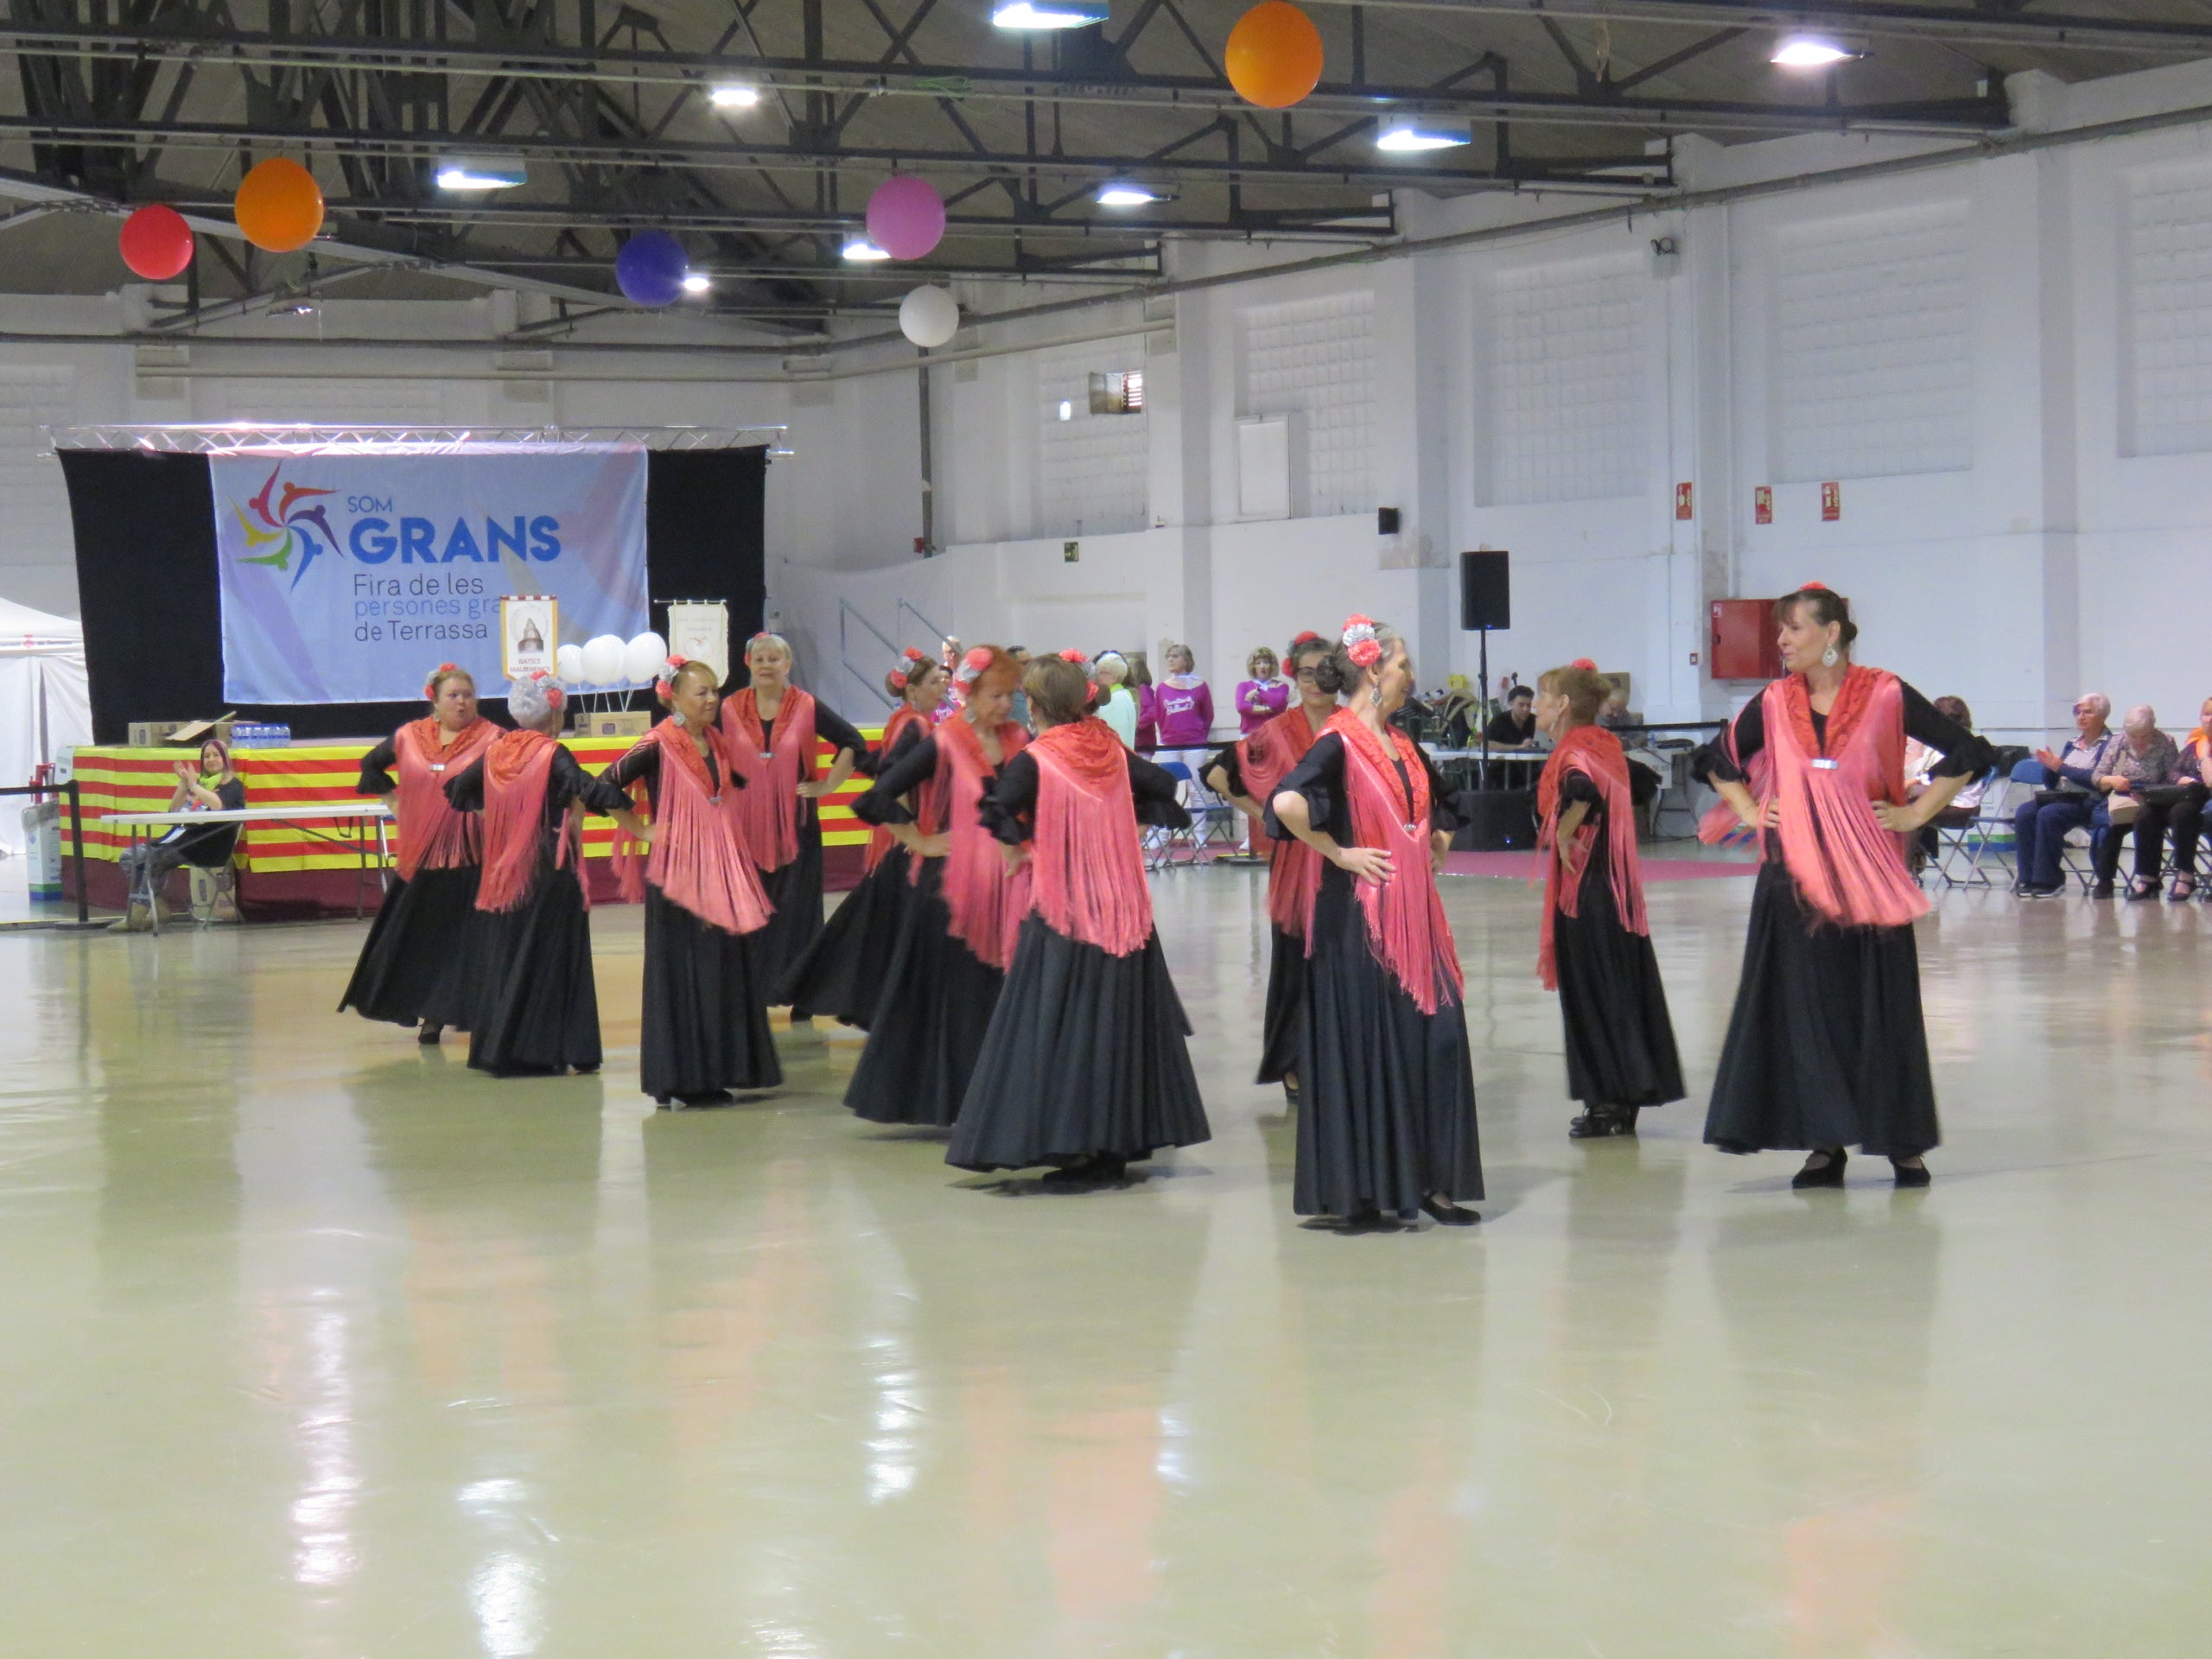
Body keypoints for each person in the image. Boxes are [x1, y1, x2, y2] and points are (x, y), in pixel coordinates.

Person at [1693, 585, 1992, 1188]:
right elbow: (1716, 760)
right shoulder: (1774, 701)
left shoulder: (1886, 692)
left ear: (1832, 634)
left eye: (1794, 628)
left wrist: (1915, 812)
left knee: (1880, 1004)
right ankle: (1824, 1144)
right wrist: (1752, 811)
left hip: (1869, 877)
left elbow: (1968, 752)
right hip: (1793, 878)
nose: (1782, 640)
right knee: (1807, 1008)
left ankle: (1902, 1142)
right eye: (1781, 629)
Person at [948, 655, 1210, 1185]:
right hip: (1125, 912)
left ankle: (1077, 1147)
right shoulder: (1108, 746)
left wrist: (1027, 843)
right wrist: (1114, 822)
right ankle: (1113, 1147)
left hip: (1066, 911)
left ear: (1034, 704)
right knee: (1119, 1026)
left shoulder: (1038, 758)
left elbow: (997, 807)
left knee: (1065, 1029)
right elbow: (1163, 783)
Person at [1270, 615, 1483, 1229]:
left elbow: (1440, 803)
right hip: (1359, 926)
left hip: (1419, 920)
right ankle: (1367, 1191)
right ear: (1372, 671)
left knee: (1437, 1039)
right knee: (1372, 1049)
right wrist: (1339, 853)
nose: (1411, 675)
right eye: (1402, 665)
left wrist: (1435, 840)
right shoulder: (1337, 741)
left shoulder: (1402, 742)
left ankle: (1432, 1184)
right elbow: (1286, 802)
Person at [844, 646, 1031, 1127]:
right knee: (961, 998)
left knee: (1000, 994)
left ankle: (1003, 1097)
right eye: (994, 696)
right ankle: (958, 1100)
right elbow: (877, 795)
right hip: (950, 891)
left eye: (1008, 695)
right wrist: (919, 840)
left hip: (1009, 887)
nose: (1004, 705)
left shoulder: (1019, 738)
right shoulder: (944, 741)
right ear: (968, 694)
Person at [598, 658, 780, 1107]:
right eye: (701, 692)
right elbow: (603, 786)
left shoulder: (715, 742)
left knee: (718, 967)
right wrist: (642, 829)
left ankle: (714, 1071)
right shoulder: (657, 744)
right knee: (686, 970)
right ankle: (682, 1078)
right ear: (674, 698)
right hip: (678, 874)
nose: (712, 699)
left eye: (714, 690)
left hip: (718, 868)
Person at [1533, 659, 1684, 1139]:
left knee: (1592, 994)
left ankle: (1605, 1104)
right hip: (1619, 894)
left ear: (1562, 705)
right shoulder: (1604, 745)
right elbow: (1642, 784)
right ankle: (1624, 1096)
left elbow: (1581, 791)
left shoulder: (1573, 752)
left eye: (1542, 696)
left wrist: (1563, 834)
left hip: (1586, 893)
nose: (1535, 705)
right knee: (1620, 991)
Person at [445, 672, 607, 1078]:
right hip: (551, 867)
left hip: (508, 870)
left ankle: (505, 1046)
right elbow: (583, 787)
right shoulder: (552, 752)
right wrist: (624, 807)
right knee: (554, 955)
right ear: (556, 713)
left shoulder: (498, 750)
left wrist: (502, 818)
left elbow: (457, 789)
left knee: (512, 952)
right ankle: (559, 1046)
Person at [777, 648, 946, 1029]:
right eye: (934, 681)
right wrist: (912, 829)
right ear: (913, 690)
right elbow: (891, 776)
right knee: (877, 926)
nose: (942, 687)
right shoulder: (915, 726)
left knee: (867, 924)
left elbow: (873, 762)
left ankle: (826, 995)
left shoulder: (906, 722)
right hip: (903, 842)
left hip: (896, 839)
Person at [1205, 632, 1334, 1101]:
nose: (1316, 682)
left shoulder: (1352, 726)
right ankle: (1293, 1062)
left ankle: (1341, 1062)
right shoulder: (1276, 731)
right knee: (1296, 965)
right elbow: (1218, 774)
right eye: (1307, 673)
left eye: (1325, 672)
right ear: (1294, 676)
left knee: (1342, 966)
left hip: (1346, 860)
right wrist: (1265, 814)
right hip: (1296, 866)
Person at [340, 664, 499, 1041]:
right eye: (453, 696)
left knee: (467, 943)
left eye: (468, 695)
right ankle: (424, 1010)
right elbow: (371, 765)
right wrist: (397, 805)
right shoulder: (409, 736)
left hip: (472, 858)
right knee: (420, 941)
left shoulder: (493, 738)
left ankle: (454, 1016)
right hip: (420, 858)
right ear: (435, 700)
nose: (462, 703)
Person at [717, 631, 868, 994]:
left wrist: (827, 786)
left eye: (774, 659)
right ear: (748, 664)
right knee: (750, 907)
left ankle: (800, 989)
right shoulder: (729, 708)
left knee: (797, 910)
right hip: (743, 828)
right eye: (759, 659)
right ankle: (750, 989)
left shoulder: (807, 706)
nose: (766, 665)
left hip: (797, 826)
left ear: (788, 664)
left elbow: (853, 743)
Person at [113, 736, 246, 930]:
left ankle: (136, 916)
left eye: (216, 755)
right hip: (182, 839)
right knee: (129, 856)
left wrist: (194, 786)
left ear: (225, 758)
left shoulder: (233, 786)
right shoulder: (200, 783)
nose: (211, 759)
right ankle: (159, 909)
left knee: (155, 858)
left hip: (208, 845)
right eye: (207, 756)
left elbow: (217, 805)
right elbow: (174, 814)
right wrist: (183, 786)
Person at [2013, 694, 2121, 897]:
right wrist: (2049, 767)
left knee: (2049, 814)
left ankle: (2049, 880)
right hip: (2063, 797)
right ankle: (2027, 877)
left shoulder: (2110, 744)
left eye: (2087, 712)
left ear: (2102, 715)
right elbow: (2052, 782)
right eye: (2077, 712)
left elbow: (2096, 780)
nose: (2081, 716)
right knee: (2025, 812)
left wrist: (2061, 767)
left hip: (2090, 800)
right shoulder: (2072, 744)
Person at [2089, 705, 2183, 900]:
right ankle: (2104, 880)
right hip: (2121, 800)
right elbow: (2098, 777)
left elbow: (2173, 778)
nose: (2139, 741)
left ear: (2153, 728)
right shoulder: (2118, 742)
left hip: (2153, 802)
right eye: (2134, 736)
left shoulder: (2165, 742)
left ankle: (2148, 879)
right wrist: (2112, 780)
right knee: (2107, 826)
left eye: (2145, 735)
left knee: (2147, 819)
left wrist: (2151, 794)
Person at [1902, 694, 1986, 872]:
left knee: (1910, 813)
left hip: (1961, 809)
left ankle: (1903, 868)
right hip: (1943, 802)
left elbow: (1939, 777)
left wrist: (1910, 783)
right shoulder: (1940, 744)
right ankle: (1910, 860)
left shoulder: (1964, 746)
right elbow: (1921, 770)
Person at [2161, 697, 2212, 900]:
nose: (2210, 719)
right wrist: (2185, 779)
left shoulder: (2203, 749)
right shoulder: (2194, 745)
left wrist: (2205, 758)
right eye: (2207, 714)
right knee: (2179, 813)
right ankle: (2185, 874)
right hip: (2196, 796)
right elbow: (2174, 772)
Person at [1154, 643, 1214, 767]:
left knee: (1195, 779)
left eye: (1175, 656)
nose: (1170, 659)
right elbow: (1159, 717)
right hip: (1169, 745)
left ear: (1186, 661)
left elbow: (1208, 715)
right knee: (1170, 778)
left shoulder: (1200, 685)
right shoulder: (1162, 688)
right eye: (1168, 656)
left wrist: (1200, 735)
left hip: (1195, 744)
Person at [1235, 647, 1288, 738]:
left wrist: (1259, 694)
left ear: (1272, 665)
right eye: (1258, 663)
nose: (1262, 666)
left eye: (1266, 662)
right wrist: (1268, 709)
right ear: (1253, 666)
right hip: (1249, 734)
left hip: (1274, 734)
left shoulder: (1281, 686)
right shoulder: (1243, 686)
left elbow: (1280, 704)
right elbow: (1242, 707)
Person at [1094, 651, 1140, 749]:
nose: (1097, 677)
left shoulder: (1114, 699)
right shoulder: (1124, 695)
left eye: (1102, 673)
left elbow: (1114, 734)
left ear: (1114, 676)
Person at [1484, 684, 1541, 751]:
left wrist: (1534, 744)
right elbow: (1487, 744)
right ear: (1511, 703)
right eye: (1521, 705)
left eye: (1528, 705)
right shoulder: (1500, 720)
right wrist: (1519, 747)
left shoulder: (1535, 720)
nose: (1525, 709)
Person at [1128, 649, 1159, 753]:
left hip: (1143, 742)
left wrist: (1136, 725)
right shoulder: (1136, 690)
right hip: (1138, 741)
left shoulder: (1143, 689)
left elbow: (1151, 713)